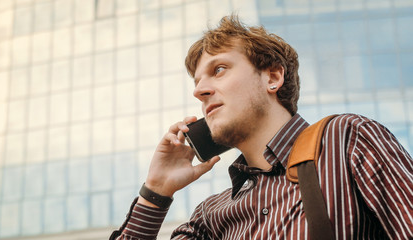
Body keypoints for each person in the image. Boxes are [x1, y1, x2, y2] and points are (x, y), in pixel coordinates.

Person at [110, 15, 413, 239]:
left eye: (219, 69)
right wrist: (156, 191)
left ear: (272, 78)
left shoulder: (345, 139)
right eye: (198, 82)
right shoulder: (209, 218)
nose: (199, 91)